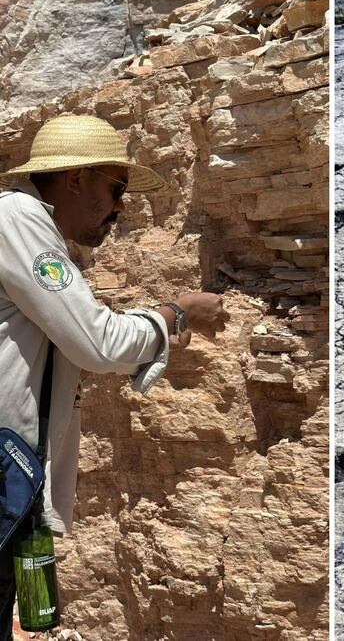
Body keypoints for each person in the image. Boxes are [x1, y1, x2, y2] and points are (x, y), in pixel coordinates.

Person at [0, 114, 229, 638]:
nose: (121, 208)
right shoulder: (19, 217)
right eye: (116, 188)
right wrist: (177, 312)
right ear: (76, 179)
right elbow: (98, 343)